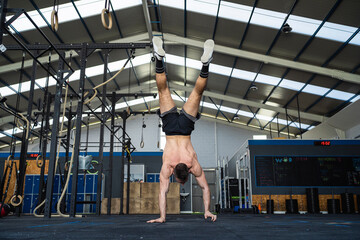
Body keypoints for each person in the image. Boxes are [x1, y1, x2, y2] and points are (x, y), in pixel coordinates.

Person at [147, 37, 217, 223]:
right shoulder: (168, 167)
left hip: (185, 128)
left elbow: (205, 189)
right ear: (177, 175)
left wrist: (163, 217)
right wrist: (161, 217)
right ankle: (159, 59)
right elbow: (163, 192)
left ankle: (205, 64)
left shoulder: (192, 165)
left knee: (197, 92)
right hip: (170, 129)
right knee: (163, 91)